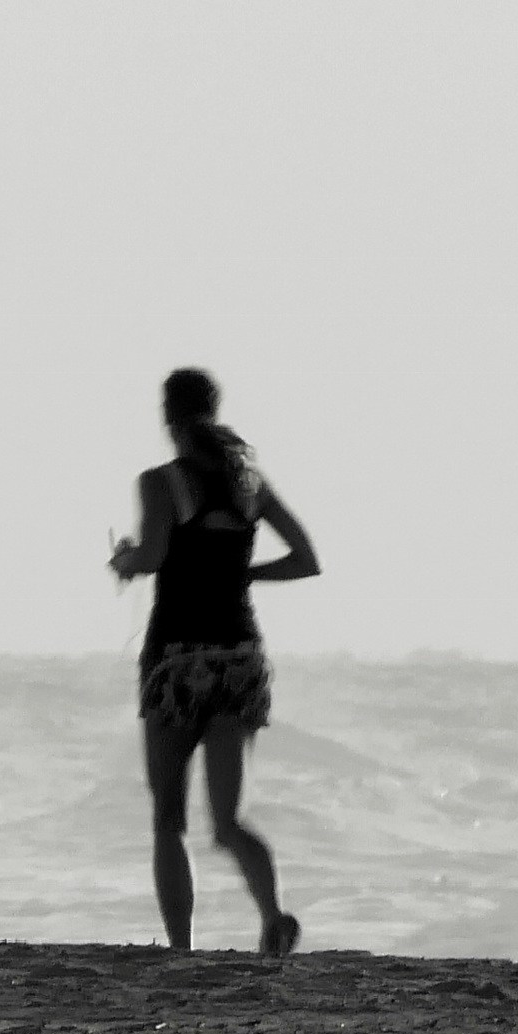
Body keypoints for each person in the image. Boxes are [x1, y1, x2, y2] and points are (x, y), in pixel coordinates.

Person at [105, 366, 323, 956]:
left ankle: (180, 951)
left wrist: (125, 561)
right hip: (240, 659)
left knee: (169, 821)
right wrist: (241, 571)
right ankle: (273, 915)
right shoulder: (249, 481)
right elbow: (306, 559)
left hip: (177, 659)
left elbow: (152, 555)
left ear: (168, 418)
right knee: (226, 823)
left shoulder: (160, 482)